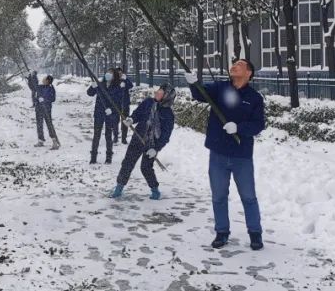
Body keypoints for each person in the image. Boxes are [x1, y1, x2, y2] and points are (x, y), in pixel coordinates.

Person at [184, 58, 265, 251]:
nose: (234, 66)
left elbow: (258, 124)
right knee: (219, 195)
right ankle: (221, 232)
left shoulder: (254, 98)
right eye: (233, 63)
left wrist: (239, 128)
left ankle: (255, 233)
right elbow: (201, 94)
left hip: (241, 155)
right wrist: (193, 83)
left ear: (249, 73)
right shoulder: (220, 88)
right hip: (218, 153)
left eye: (240, 65)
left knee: (248, 196)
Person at [110, 84, 175, 200]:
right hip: (138, 137)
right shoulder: (148, 102)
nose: (157, 92)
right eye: (158, 90)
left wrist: (156, 148)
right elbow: (138, 113)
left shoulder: (168, 114)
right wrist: (131, 119)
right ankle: (118, 188)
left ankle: (155, 190)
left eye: (161, 92)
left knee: (146, 167)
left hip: (152, 144)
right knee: (127, 163)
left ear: (167, 97)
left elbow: (166, 135)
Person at [86, 69, 128, 164]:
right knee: (96, 134)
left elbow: (118, 101)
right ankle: (93, 157)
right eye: (107, 72)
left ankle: (109, 156)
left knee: (108, 135)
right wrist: (92, 87)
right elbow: (90, 93)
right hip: (99, 112)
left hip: (110, 114)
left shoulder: (117, 87)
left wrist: (111, 110)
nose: (108, 74)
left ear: (114, 76)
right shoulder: (100, 84)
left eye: (111, 73)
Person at [35, 75, 60, 149]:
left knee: (49, 124)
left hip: (47, 109)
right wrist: (30, 77)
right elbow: (33, 87)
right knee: (39, 125)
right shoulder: (40, 87)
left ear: (47, 81)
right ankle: (41, 140)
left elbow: (53, 98)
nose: (43, 79)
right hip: (39, 109)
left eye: (45, 78)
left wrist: (44, 100)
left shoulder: (51, 89)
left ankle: (54, 141)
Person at [116, 68, 135, 145]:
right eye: (118, 73)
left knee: (125, 121)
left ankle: (124, 138)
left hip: (125, 104)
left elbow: (131, 85)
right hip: (116, 104)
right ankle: (115, 137)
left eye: (121, 73)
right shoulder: (114, 81)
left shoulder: (125, 80)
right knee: (115, 121)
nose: (119, 75)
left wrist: (126, 79)